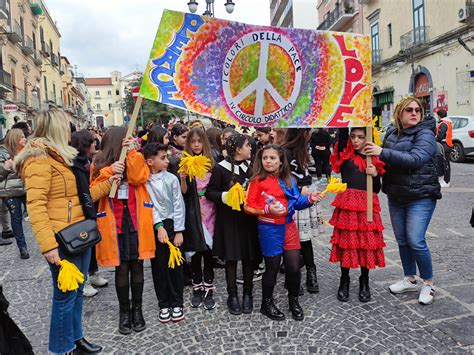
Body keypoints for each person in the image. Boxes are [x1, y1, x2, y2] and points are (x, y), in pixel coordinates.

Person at [15, 108, 115, 355]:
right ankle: (60, 349)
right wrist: (49, 247)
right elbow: (36, 206)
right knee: (64, 298)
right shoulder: (38, 159)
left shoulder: (60, 157)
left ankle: (75, 340)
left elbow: (79, 198)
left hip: (77, 234)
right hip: (61, 239)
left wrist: (108, 183)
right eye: (66, 125)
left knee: (76, 293)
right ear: (56, 128)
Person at [364, 96, 441, 305]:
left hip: (421, 195)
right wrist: (375, 169)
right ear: (400, 113)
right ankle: (410, 278)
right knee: (402, 240)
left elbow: (415, 160)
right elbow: (385, 162)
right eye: (409, 110)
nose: (414, 113)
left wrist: (382, 152)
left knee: (415, 240)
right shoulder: (391, 133)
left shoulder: (425, 134)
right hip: (397, 194)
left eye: (418, 109)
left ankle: (428, 283)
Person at [245, 145, 323, 321]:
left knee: (294, 267)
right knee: (272, 268)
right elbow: (248, 207)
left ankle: (293, 301)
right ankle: (267, 303)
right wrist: (267, 208)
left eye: (273, 158)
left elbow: (296, 202)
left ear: (281, 161)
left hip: (289, 228)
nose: (268, 161)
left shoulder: (289, 179)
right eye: (265, 158)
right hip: (269, 229)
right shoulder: (256, 181)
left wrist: (311, 198)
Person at [90, 127, 156, 335]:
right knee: (121, 268)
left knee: (137, 266)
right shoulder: (99, 163)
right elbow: (92, 193)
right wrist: (110, 171)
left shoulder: (133, 157)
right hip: (114, 222)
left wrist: (131, 154)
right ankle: (124, 311)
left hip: (135, 220)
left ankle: (138, 309)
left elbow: (139, 178)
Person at [329, 128, 386, 302]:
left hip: (366, 206)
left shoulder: (373, 158)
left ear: (367, 138)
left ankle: (364, 281)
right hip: (348, 205)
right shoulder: (344, 153)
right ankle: (344, 280)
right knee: (347, 244)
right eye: (353, 136)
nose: (355, 140)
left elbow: (376, 189)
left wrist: (375, 174)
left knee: (365, 244)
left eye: (361, 137)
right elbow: (343, 132)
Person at [206, 134, 260, 315]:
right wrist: (225, 196)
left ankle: (247, 293)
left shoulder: (251, 168)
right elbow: (210, 192)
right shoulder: (220, 169)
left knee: (248, 257)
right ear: (238, 149)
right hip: (228, 219)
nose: (251, 148)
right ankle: (232, 295)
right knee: (231, 258)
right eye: (247, 146)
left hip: (247, 219)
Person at [144, 143, 186, 323]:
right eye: (163, 158)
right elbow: (148, 205)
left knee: (175, 266)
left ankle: (177, 302)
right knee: (159, 267)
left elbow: (178, 205)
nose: (167, 161)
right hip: (155, 227)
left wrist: (178, 231)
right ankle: (163, 303)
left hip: (172, 225)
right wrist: (158, 226)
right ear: (150, 161)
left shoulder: (172, 179)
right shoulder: (144, 181)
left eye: (167, 157)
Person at [282, 128, 323, 294]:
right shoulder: (284, 152)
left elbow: (306, 175)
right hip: (292, 200)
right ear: (301, 133)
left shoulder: (304, 149)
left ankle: (311, 272)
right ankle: (293, 276)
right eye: (308, 131)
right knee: (292, 240)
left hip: (306, 200)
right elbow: (280, 179)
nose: (311, 134)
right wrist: (298, 190)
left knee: (305, 240)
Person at [180, 128, 217, 310]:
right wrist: (183, 179)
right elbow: (184, 193)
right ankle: (197, 287)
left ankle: (209, 287)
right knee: (195, 251)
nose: (196, 145)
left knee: (208, 252)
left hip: (210, 211)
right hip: (193, 212)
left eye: (199, 141)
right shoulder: (184, 164)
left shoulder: (212, 163)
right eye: (193, 141)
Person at [70, 130, 109, 298]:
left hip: (91, 208)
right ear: (84, 145)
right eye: (92, 142)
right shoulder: (76, 165)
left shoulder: (88, 161)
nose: (95, 144)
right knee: (83, 243)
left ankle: (93, 273)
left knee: (92, 243)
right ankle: (83, 279)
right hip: (82, 210)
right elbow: (85, 191)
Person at [0, 129, 29, 259]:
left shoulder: (27, 152)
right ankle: (22, 247)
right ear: (15, 139)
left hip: (26, 189)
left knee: (36, 215)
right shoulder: (4, 153)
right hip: (10, 192)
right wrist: (5, 167)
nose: (24, 139)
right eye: (22, 137)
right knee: (16, 219)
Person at [435, 109, 453, 187]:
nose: (437, 117)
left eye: (437, 115)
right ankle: (445, 181)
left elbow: (440, 136)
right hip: (446, 145)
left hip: (445, 145)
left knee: (445, 164)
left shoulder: (443, 124)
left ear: (439, 116)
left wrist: (434, 139)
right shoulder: (447, 123)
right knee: (445, 163)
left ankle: (446, 182)